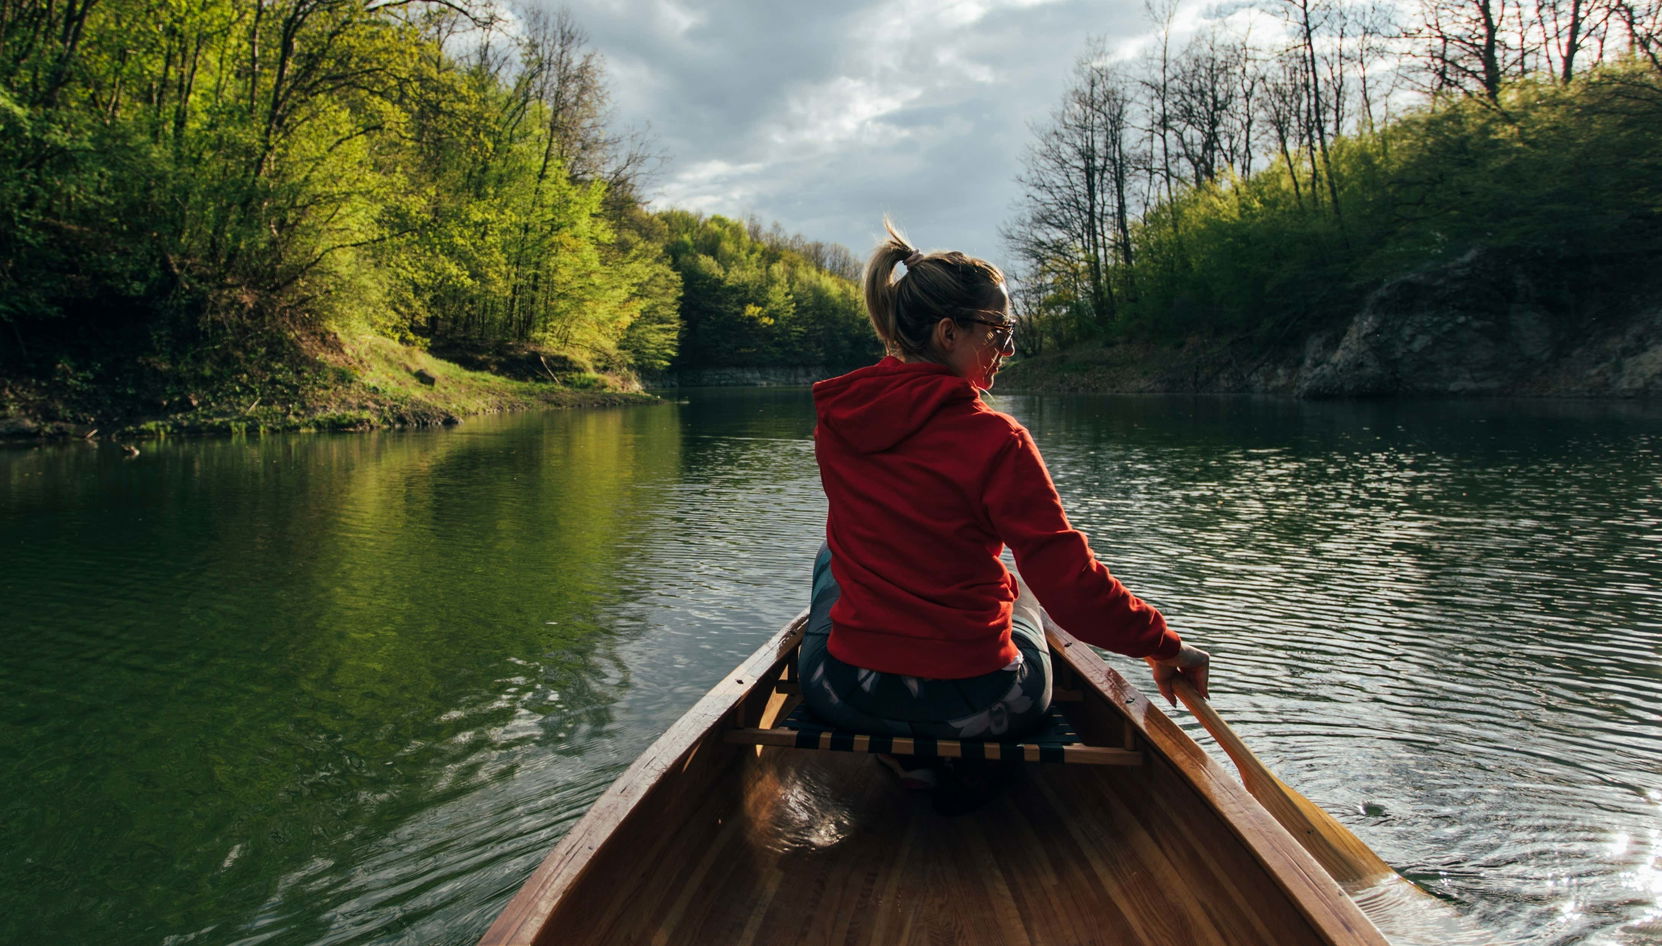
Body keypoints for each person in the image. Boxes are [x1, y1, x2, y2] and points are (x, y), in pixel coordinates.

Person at [801, 221, 1210, 789]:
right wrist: (1165, 646)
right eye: (999, 331)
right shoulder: (998, 439)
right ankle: (956, 761)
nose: (1009, 349)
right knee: (1026, 589)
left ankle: (909, 758)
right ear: (948, 333)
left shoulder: (838, 421)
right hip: (980, 706)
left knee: (831, 557)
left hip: (846, 695)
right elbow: (1074, 589)